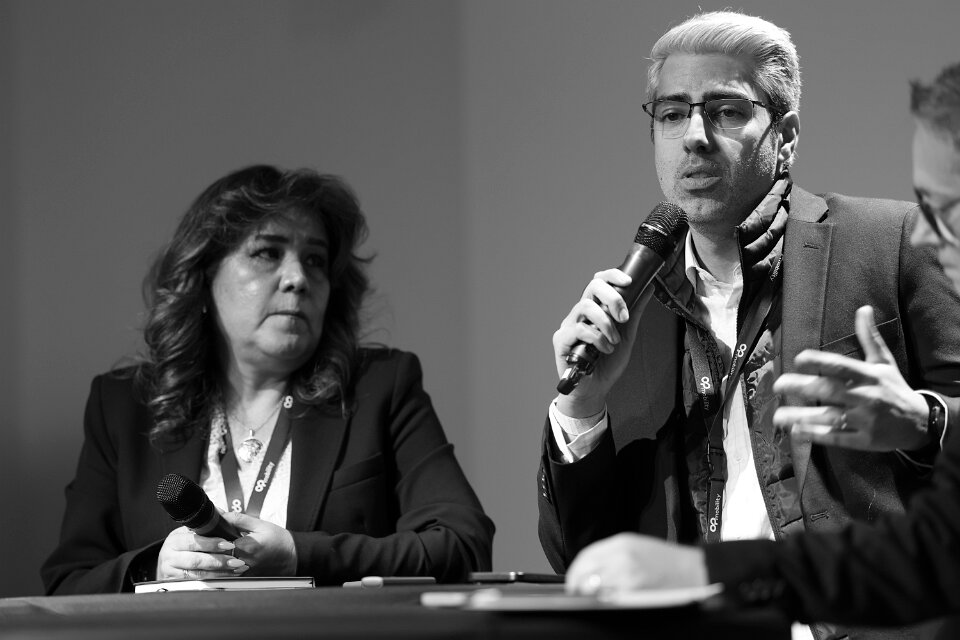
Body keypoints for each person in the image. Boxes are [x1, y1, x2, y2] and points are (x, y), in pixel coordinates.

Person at [540, 13, 960, 640]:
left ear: (785, 136)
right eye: (672, 114)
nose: (695, 136)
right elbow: (583, 559)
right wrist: (583, 408)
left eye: (727, 111)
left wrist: (924, 422)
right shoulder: (634, 313)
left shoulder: (892, 242)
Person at [42, 165, 494, 594]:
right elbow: (68, 583)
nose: (298, 278)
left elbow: (462, 545)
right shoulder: (124, 406)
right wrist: (154, 568)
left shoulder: (380, 387)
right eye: (267, 253)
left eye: (315, 260)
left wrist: (301, 554)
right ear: (203, 278)